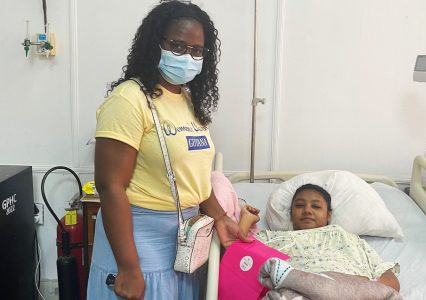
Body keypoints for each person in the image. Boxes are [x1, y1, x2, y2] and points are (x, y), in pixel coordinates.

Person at [87, 2, 250, 300]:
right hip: (138, 242)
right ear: (155, 44)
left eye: (197, 51)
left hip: (183, 243)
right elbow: (110, 186)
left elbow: (194, 180)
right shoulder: (130, 100)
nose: (188, 56)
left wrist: (221, 217)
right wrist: (128, 267)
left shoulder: (188, 102)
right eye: (177, 46)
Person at [237, 184, 400, 293]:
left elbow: (388, 279)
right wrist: (247, 219)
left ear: (328, 214)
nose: (307, 210)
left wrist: (363, 288)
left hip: (349, 288)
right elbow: (238, 257)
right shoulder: (273, 237)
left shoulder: (347, 237)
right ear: (291, 214)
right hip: (298, 290)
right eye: (300, 205)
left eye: (316, 206)